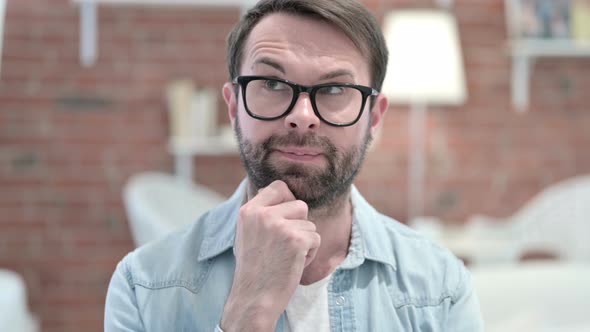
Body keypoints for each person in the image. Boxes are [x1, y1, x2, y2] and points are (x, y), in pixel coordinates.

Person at [104, 0, 484, 331]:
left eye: (335, 89)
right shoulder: (144, 286)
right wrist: (247, 314)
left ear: (374, 116)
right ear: (234, 104)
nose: (302, 117)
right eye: (271, 83)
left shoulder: (440, 290)